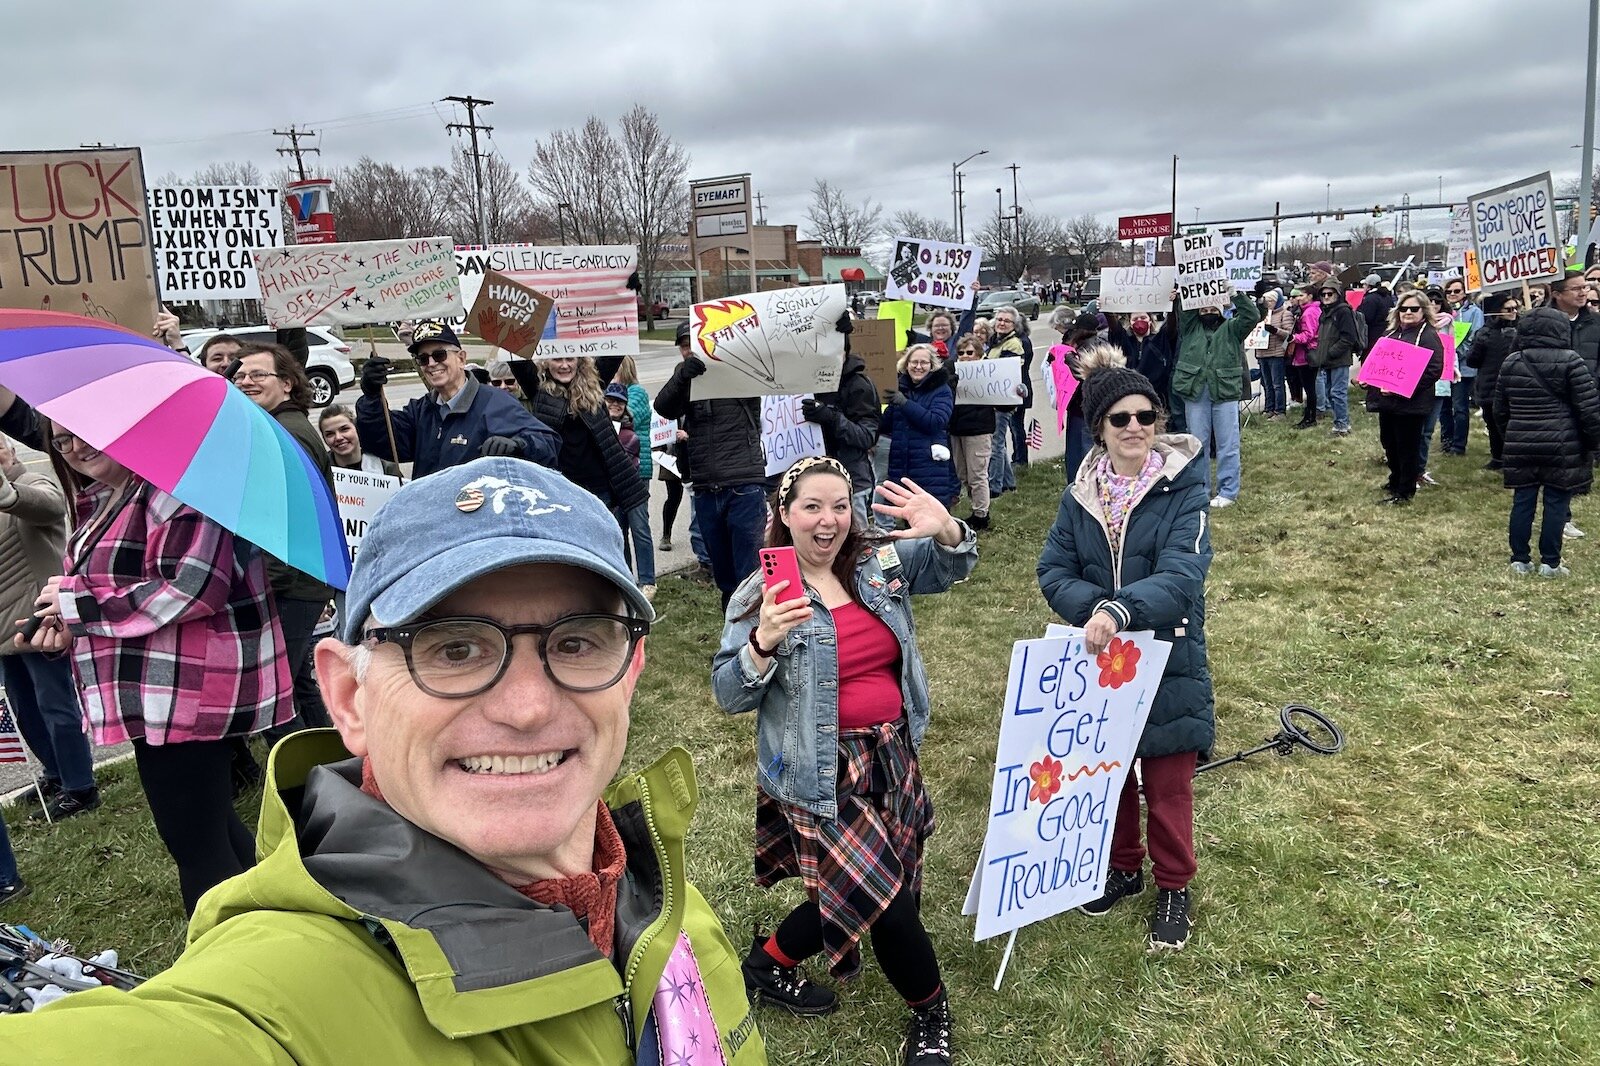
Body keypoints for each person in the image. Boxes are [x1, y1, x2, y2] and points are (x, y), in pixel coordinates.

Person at [4, 457, 766, 1063]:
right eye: (456, 649)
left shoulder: (661, 895)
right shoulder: (284, 1001)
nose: (529, 706)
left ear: (630, 674)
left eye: (576, 642)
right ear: (348, 698)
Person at [712, 457, 976, 1066]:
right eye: (811, 506)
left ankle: (766, 964)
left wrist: (946, 529)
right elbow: (728, 693)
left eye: (839, 505)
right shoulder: (761, 592)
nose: (828, 520)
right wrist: (763, 642)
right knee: (884, 900)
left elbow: (953, 566)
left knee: (859, 886)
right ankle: (931, 1013)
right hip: (821, 770)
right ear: (784, 515)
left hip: (891, 755)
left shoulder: (874, 564)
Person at [21, 419, 291, 914]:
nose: (76, 448)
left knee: (192, 840)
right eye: (62, 441)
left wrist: (76, 602)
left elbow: (193, 586)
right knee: (210, 827)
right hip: (156, 691)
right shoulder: (108, 495)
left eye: (85, 432)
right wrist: (67, 623)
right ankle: (274, 925)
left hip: (192, 691)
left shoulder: (178, 492)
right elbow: (118, 591)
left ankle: (221, 961)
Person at [1037, 342, 1214, 952]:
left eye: (1146, 417)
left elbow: (1183, 574)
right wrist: (1097, 613)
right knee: (1106, 774)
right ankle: (1123, 867)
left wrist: (1123, 609)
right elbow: (1053, 570)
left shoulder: (1183, 488)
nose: (1135, 428)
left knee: (1167, 781)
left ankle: (1174, 885)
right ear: (1098, 429)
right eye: (1121, 419)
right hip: (1101, 658)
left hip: (1168, 654)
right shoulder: (1079, 495)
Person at [231, 342, 336, 735]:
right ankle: (332, 764)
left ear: (288, 383)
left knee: (271, 697)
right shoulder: (276, 427)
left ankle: (293, 787)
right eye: (240, 375)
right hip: (300, 579)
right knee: (299, 684)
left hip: (288, 583)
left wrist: (267, 587)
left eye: (258, 374)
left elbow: (287, 520)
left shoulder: (284, 434)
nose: (246, 381)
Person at [0, 435, 99, 820]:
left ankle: (80, 786)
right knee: (26, 712)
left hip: (40, 624)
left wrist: (7, 485)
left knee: (56, 707)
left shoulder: (34, 485)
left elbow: (49, 505)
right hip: (5, 633)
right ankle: (55, 774)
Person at [654, 319, 769, 607]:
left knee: (750, 576)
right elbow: (663, 407)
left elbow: (795, 362)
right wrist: (683, 376)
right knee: (726, 579)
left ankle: (759, 640)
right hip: (706, 487)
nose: (689, 351)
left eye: (693, 345)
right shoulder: (687, 377)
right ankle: (735, 642)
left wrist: (838, 337)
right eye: (684, 347)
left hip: (743, 483)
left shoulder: (743, 367)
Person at [356, 321, 560, 478]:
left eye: (439, 355)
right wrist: (371, 396)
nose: (432, 363)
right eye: (423, 359)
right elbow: (383, 442)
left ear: (461, 358)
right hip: (431, 518)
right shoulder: (421, 410)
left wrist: (519, 445)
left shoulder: (494, 402)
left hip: (478, 521)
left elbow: (548, 444)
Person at [520, 358, 652, 595]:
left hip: (601, 489)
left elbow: (617, 339)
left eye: (569, 358)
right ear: (545, 361)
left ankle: (623, 598)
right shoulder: (537, 387)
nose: (563, 365)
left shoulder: (596, 382)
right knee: (574, 555)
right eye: (557, 359)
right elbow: (516, 353)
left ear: (580, 360)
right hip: (561, 492)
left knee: (612, 548)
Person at [1494, 307, 1600, 576]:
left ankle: (1519, 559)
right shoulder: (1572, 361)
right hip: (1563, 443)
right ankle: (1550, 562)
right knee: (1556, 503)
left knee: (1523, 500)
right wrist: (1591, 443)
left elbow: (1499, 409)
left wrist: (1512, 434)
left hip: (1520, 440)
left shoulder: (1511, 362)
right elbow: (1588, 409)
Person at [1171, 290, 1261, 507]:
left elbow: (1252, 316)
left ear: (1221, 312)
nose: (1208, 313)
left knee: (1228, 442)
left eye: (1213, 310)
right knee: (1197, 442)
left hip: (1225, 391)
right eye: (1204, 309)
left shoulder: (1233, 329)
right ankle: (1199, 490)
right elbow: (1185, 310)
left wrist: (1237, 295)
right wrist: (1185, 293)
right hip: (1196, 389)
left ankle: (1228, 491)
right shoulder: (1190, 327)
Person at [804, 317, 883, 524]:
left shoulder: (859, 385)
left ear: (845, 352)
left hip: (850, 480)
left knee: (856, 546)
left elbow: (867, 437)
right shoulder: (804, 383)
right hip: (812, 480)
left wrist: (830, 418)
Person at [1373, 292, 1445, 506]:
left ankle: (1405, 491)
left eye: (1414, 309)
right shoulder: (1391, 334)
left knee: (1407, 447)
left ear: (1423, 310)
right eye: (1404, 308)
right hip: (1388, 402)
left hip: (1411, 403)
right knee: (1389, 442)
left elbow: (1434, 370)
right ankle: (1395, 479)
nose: (1408, 313)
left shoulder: (1429, 336)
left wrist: (1403, 387)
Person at [879, 344, 958, 523]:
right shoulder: (900, 389)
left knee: (932, 521)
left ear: (932, 366)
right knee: (909, 520)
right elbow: (884, 425)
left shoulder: (941, 390)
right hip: (903, 464)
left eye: (924, 362)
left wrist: (904, 403)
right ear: (906, 365)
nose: (918, 366)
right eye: (914, 362)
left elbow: (935, 422)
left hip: (929, 467)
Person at [604, 381, 655, 599]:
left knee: (640, 529)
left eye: (620, 402)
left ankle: (647, 580)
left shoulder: (630, 433)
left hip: (634, 484)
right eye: (610, 400)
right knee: (618, 531)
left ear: (625, 406)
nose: (615, 405)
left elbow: (624, 458)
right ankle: (625, 576)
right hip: (611, 488)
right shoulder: (599, 427)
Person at [1466, 292, 1520, 470]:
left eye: (1515, 308)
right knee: (1492, 423)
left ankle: (1513, 459)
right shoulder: (1485, 333)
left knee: (1511, 424)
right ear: (1496, 311)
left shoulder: (1522, 331)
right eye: (1508, 309)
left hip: (1514, 385)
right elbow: (1472, 360)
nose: (1513, 312)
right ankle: (1497, 457)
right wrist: (1480, 343)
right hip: (1490, 385)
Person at [947, 335, 995, 529]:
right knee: (963, 474)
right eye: (961, 353)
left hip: (979, 429)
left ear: (979, 354)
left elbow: (1004, 399)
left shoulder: (988, 370)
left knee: (977, 473)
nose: (965, 356)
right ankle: (976, 507)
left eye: (970, 352)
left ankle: (981, 514)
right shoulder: (951, 370)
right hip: (956, 429)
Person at [985, 307, 1028, 497]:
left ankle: (994, 487)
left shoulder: (1013, 344)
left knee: (995, 444)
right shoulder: (995, 342)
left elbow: (1002, 371)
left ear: (1014, 325)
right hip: (994, 400)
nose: (1001, 323)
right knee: (999, 443)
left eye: (1006, 321)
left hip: (1003, 402)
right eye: (999, 319)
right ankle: (1009, 484)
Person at [1418, 289, 1455, 487]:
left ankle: (1420, 470)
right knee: (1414, 429)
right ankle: (1409, 469)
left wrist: (1453, 369)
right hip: (1418, 384)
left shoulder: (1447, 324)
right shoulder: (1416, 325)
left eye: (1437, 302)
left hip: (1440, 383)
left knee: (1427, 431)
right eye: (1429, 302)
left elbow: (1451, 350)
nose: (1434, 305)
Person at [1312, 281, 1359, 436]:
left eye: (1330, 294)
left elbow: (1349, 337)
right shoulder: (1325, 312)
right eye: (1323, 294)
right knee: (1331, 393)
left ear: (1337, 294)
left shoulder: (1343, 311)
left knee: (1338, 393)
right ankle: (1339, 422)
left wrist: (1332, 352)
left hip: (1339, 359)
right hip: (1327, 360)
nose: (1326, 297)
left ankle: (1342, 425)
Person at [1443, 277, 1483, 456]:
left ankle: (1459, 445)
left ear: (1465, 293)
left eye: (1456, 291)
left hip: (1463, 367)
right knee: (1444, 406)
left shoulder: (1474, 312)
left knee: (1459, 407)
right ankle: (1447, 440)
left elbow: (1475, 337)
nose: (1452, 295)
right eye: (1449, 291)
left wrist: (1456, 353)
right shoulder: (1444, 313)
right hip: (1444, 366)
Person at [318, 404, 402, 477]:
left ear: (357, 429)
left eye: (344, 429)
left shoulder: (386, 465)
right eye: (330, 434)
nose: (338, 437)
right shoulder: (320, 470)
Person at [1286, 286, 1322, 427]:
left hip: (1306, 354)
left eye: (1302, 295)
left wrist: (1293, 337)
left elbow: (1309, 335)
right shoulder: (1310, 310)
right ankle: (1309, 416)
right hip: (1305, 353)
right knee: (1309, 387)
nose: (1299, 298)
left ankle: (1310, 418)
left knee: (1309, 388)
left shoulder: (1309, 313)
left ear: (1310, 296)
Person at [1255, 290, 1292, 419]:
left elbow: (1289, 334)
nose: (1268, 304)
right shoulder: (1260, 315)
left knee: (1277, 384)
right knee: (1266, 383)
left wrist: (1275, 330)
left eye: (1270, 301)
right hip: (1262, 353)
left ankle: (1280, 410)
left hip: (1276, 354)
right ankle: (1269, 408)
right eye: (1266, 301)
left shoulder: (1284, 314)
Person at [1358, 275, 1395, 356]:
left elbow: (1366, 318)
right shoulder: (1387, 297)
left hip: (1371, 336)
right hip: (1385, 334)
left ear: (1369, 286)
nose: (1363, 287)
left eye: (1364, 285)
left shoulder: (1370, 299)